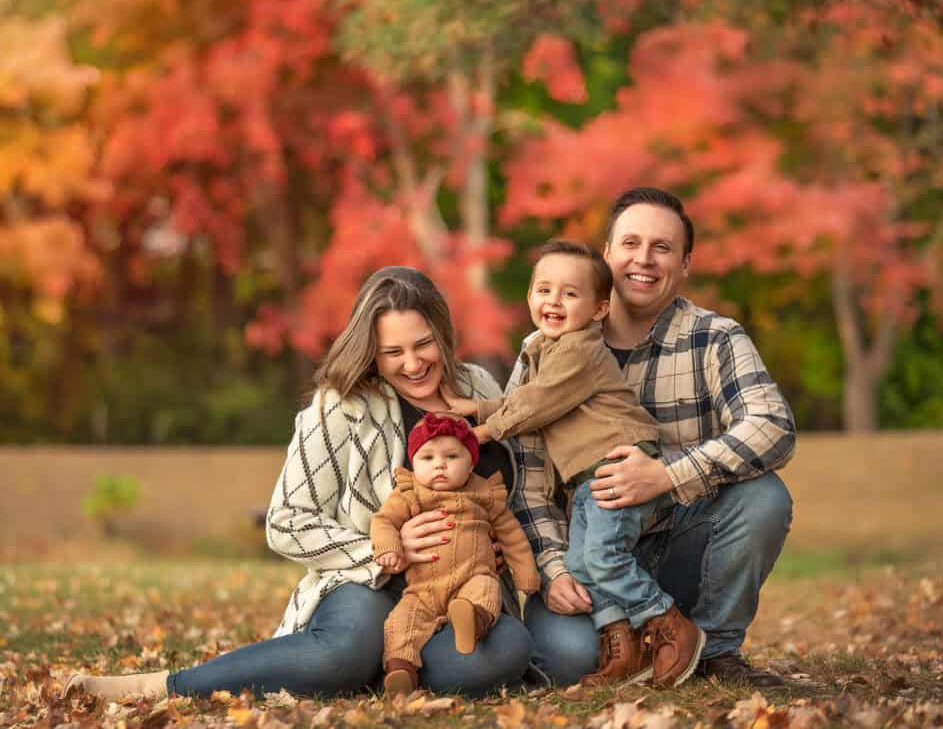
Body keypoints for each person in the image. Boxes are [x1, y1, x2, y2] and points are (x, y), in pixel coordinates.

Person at [63, 267, 533, 701]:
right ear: (371, 351)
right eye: (393, 352)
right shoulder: (342, 406)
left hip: (465, 587)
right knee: (342, 651)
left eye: (422, 344)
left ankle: (387, 662)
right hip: (370, 583)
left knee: (506, 649)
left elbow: (519, 485)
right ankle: (164, 686)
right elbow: (286, 522)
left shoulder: (481, 388)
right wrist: (386, 549)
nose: (412, 363)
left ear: (443, 334)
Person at [512, 187, 797, 688]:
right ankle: (634, 639)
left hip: (684, 544)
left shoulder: (714, 337)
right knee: (566, 663)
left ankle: (713, 650)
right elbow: (527, 480)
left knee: (764, 498)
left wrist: (665, 474)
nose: (643, 259)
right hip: (588, 558)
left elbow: (772, 426)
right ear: (607, 255)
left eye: (662, 248)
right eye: (630, 243)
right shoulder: (542, 348)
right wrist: (555, 569)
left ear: (684, 264)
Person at [445, 241, 704, 688]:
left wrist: (481, 431)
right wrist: (479, 408)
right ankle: (620, 644)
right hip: (585, 478)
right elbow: (525, 399)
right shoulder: (544, 350)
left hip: (616, 465)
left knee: (603, 555)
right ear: (529, 298)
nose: (554, 301)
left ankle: (668, 621)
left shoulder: (579, 349)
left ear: (600, 308)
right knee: (583, 565)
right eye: (544, 290)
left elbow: (539, 402)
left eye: (570, 293)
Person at [371, 413, 540, 695]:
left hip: (471, 578)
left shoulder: (485, 494)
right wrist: (389, 547)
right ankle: (401, 670)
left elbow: (512, 536)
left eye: (451, 457)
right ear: (413, 463)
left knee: (486, 588)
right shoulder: (410, 494)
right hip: (423, 589)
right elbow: (383, 521)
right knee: (401, 622)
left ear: (471, 462)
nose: (440, 465)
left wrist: (526, 575)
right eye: (427, 458)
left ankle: (473, 621)